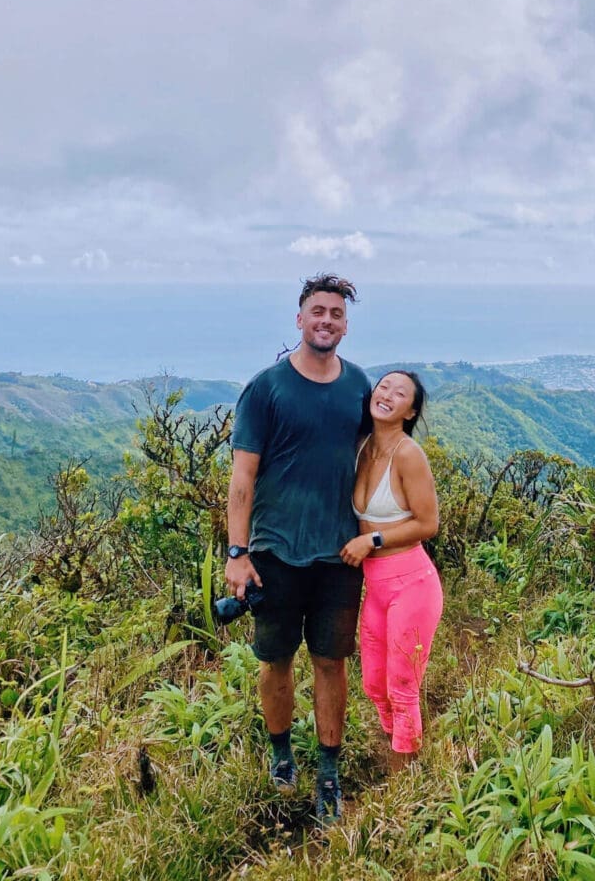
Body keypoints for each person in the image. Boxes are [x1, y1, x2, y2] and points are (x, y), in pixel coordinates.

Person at [226, 273, 371, 824]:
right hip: (275, 554)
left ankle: (328, 770)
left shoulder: (359, 386)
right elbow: (242, 481)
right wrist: (238, 553)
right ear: (299, 318)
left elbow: (376, 457)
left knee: (331, 662)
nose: (326, 320)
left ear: (345, 324)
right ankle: (281, 753)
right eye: (318, 311)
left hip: (340, 555)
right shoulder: (266, 389)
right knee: (275, 661)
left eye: (335, 313)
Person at [339, 370, 442, 767]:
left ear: (410, 410)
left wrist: (373, 540)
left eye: (400, 394)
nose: (387, 395)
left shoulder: (408, 454)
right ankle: (398, 757)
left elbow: (427, 523)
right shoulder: (362, 446)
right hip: (377, 588)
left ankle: (404, 782)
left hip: (412, 584)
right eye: (383, 386)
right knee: (373, 685)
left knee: (402, 687)